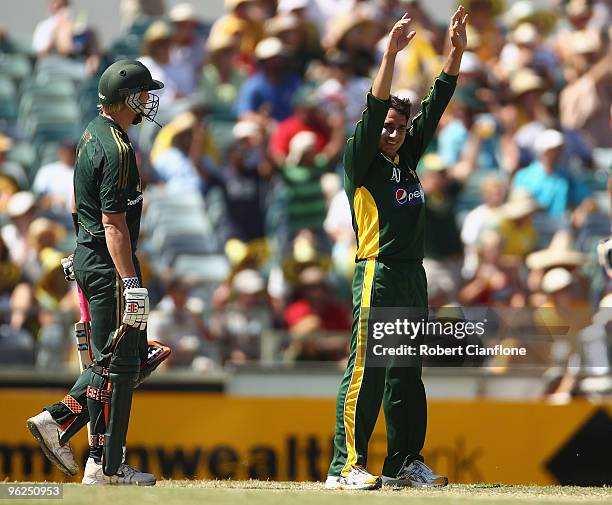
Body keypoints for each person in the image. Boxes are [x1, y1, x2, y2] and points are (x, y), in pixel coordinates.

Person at [325, 7, 467, 490]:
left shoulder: (406, 156)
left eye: (399, 128)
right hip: (377, 272)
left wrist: (455, 54)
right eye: (386, 125)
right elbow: (375, 103)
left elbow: (437, 101)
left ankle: (405, 462)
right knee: (367, 369)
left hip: (411, 274)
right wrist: (389, 54)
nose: (392, 132)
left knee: (406, 373)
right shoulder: (360, 157)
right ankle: (345, 466)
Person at [26, 59, 164, 485]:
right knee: (118, 365)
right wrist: (129, 281)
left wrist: (79, 250)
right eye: (143, 94)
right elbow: (113, 223)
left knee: (133, 358)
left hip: (92, 256)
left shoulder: (91, 132)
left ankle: (98, 461)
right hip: (108, 263)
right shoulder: (119, 148)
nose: (147, 102)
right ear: (127, 99)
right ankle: (89, 448)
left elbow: (76, 202)